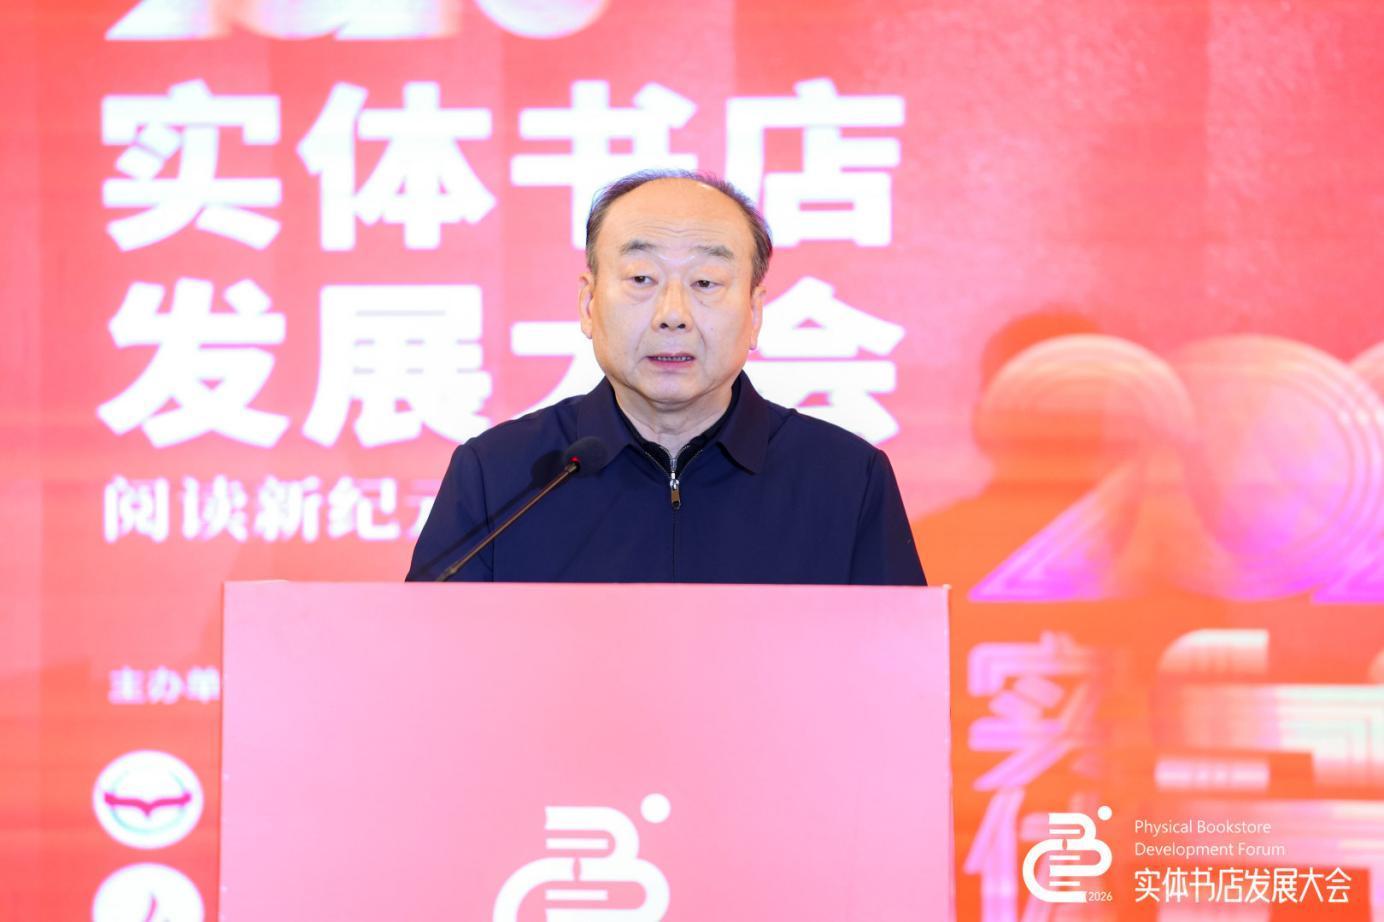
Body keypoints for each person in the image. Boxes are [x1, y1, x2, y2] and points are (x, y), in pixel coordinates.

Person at [407, 169, 925, 584]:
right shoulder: (500, 476)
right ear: (588, 304)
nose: (672, 314)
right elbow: (427, 665)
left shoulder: (847, 479)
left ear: (754, 312)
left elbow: (896, 674)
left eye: (706, 282)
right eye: (641, 278)